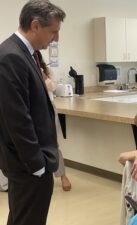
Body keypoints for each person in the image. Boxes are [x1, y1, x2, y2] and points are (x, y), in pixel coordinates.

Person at [0, 1, 66, 225]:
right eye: (54, 31)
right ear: (36, 25)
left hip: (32, 162)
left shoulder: (26, 54)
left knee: (22, 218)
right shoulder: (11, 56)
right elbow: (16, 118)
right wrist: (36, 165)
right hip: (28, 166)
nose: (56, 38)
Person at [37, 50, 72, 191]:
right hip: (33, 110)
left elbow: (52, 88)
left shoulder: (48, 71)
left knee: (53, 144)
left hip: (48, 108)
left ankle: (63, 176)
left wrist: (42, 74)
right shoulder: (25, 69)